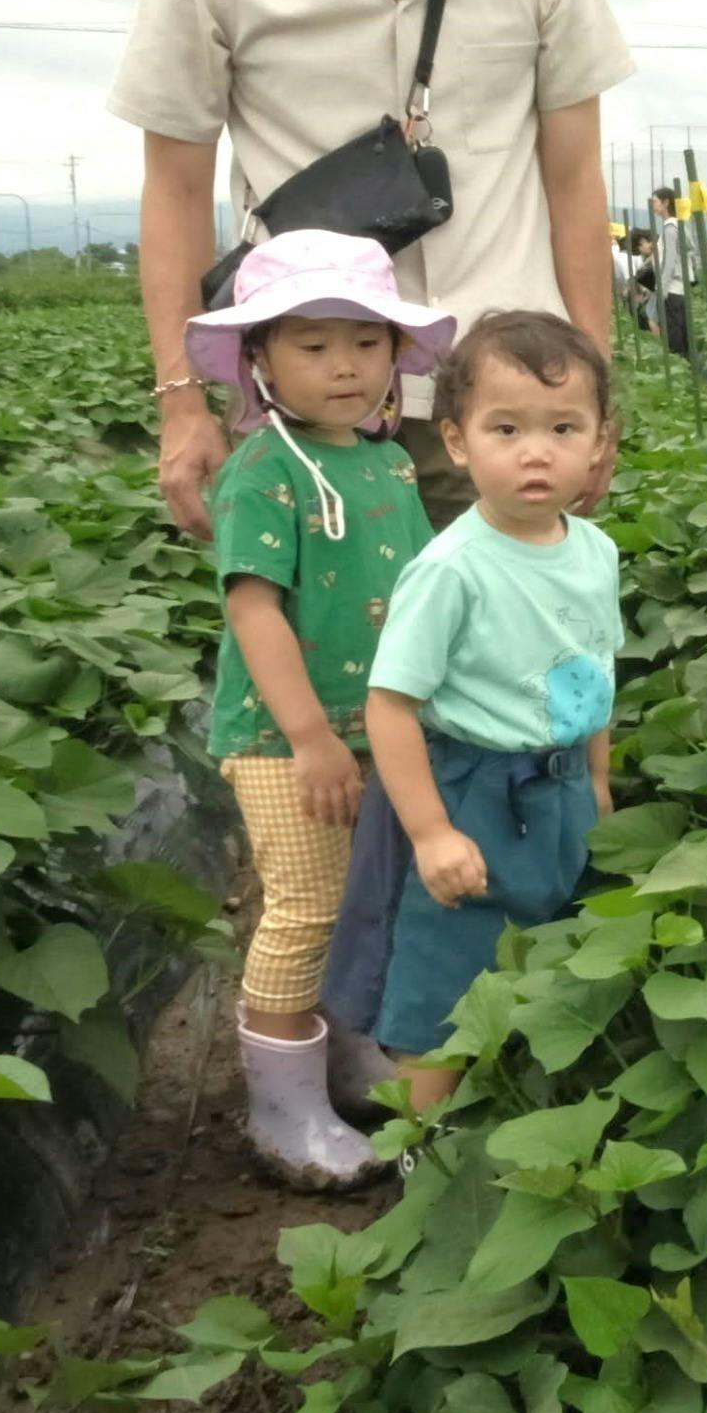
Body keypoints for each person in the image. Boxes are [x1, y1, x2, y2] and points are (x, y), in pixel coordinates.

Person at [112, 0, 631, 536]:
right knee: (330, 653)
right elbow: (172, 189)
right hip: (315, 402)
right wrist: (181, 404)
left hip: (505, 401)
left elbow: (576, 182)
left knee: (511, 656)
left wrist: (597, 394)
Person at [181, 230, 453, 1189]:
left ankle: (340, 1061)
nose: (346, 365)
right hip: (285, 738)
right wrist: (306, 739)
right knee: (306, 908)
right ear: (258, 359)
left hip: (375, 728)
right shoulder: (265, 471)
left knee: (363, 902)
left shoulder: (385, 464)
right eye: (313, 344)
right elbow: (253, 610)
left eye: (367, 342)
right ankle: (280, 1107)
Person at [361, 312, 623, 1113]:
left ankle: (513, 1116)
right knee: (448, 978)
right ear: (458, 442)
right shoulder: (451, 569)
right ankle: (420, 1149)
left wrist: (601, 779)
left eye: (562, 427)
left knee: (556, 956)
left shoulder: (595, 550)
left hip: (565, 784)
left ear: (598, 444)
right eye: (505, 428)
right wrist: (433, 832)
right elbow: (390, 706)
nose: (536, 450)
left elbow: (597, 671)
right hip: (474, 790)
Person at [651, 187, 694, 360]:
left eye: (655, 201)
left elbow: (668, 262)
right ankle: (690, 373)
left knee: (673, 337)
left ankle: (681, 372)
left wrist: (662, 289)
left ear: (666, 202)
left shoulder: (670, 228)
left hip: (672, 289)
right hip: (681, 288)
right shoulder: (680, 225)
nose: (653, 205)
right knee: (683, 333)